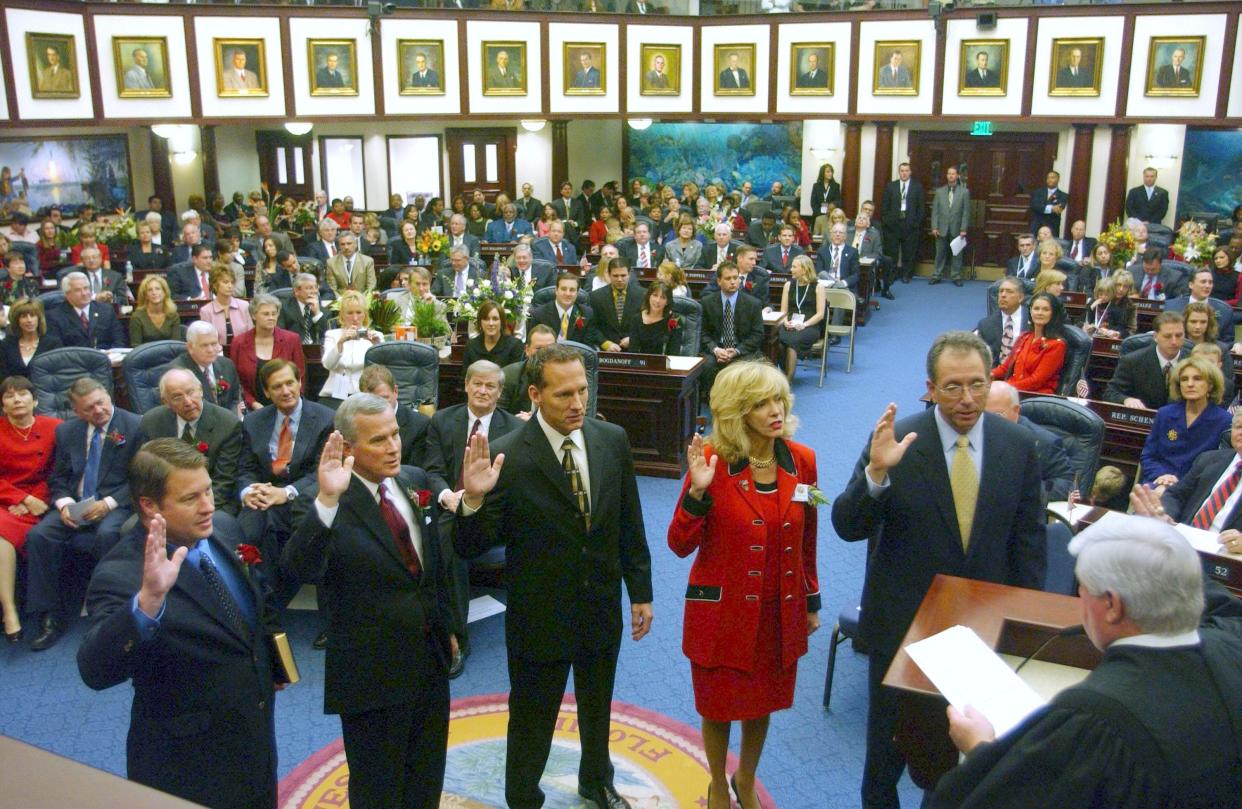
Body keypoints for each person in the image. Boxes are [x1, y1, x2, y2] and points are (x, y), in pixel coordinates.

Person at [833, 331, 1045, 809]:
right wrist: (877, 475)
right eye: (952, 386)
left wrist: (1023, 631)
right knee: (885, 758)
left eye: (977, 384)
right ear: (930, 386)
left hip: (981, 631)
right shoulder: (897, 440)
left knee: (959, 762)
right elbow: (847, 525)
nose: (967, 399)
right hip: (903, 629)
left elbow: (1028, 546)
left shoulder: (1019, 445)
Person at [456, 343, 654, 809]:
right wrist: (472, 500)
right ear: (534, 394)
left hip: (600, 606)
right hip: (539, 616)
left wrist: (640, 591)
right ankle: (523, 795)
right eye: (564, 394)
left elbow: (629, 521)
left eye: (583, 390)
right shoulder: (506, 456)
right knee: (531, 718)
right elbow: (470, 547)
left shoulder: (612, 440)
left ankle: (595, 779)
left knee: (597, 705)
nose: (578, 404)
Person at [931, 513, 1242, 809]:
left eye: (1082, 589)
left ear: (1111, 605)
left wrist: (980, 749)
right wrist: (1164, 547)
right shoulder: (1231, 647)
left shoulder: (1094, 718)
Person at [77, 438, 281, 809]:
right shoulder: (122, 574)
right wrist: (146, 604)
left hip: (254, 744)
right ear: (149, 505)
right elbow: (94, 670)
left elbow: (255, 601)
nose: (208, 507)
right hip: (187, 767)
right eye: (190, 499)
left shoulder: (223, 528)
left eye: (208, 491)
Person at [283, 394, 452, 809]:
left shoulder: (414, 481)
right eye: (379, 440)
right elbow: (298, 569)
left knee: (425, 779)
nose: (393, 446)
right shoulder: (325, 498)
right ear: (348, 448)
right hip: (371, 677)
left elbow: (433, 573)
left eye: (395, 434)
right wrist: (326, 501)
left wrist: (447, 629)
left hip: (428, 664)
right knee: (378, 789)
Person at [668, 362, 820, 809]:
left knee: (761, 704)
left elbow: (808, 537)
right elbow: (678, 544)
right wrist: (697, 494)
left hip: (778, 606)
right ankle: (718, 783)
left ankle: (746, 780)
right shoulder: (712, 460)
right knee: (718, 706)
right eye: (760, 404)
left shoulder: (803, 461)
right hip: (722, 610)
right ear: (736, 411)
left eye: (778, 399)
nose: (775, 411)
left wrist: (811, 602)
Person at [25, 379, 142, 651]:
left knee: (109, 533)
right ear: (77, 412)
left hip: (115, 504)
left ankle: (108, 610)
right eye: (89, 408)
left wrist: (109, 504)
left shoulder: (135, 425)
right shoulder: (67, 432)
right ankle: (50, 616)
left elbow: (140, 478)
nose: (99, 410)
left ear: (108, 396)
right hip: (77, 504)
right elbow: (58, 478)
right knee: (39, 535)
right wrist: (65, 504)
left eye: (101, 402)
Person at [424, 361, 519, 679]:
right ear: (465, 385)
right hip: (451, 507)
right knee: (448, 530)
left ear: (500, 392)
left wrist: (476, 501)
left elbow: (513, 484)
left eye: (490, 386)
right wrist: (445, 496)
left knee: (446, 536)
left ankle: (453, 638)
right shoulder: (442, 420)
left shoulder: (515, 429)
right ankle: (455, 636)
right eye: (477, 383)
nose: (482, 390)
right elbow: (433, 471)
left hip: (492, 516)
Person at [236, 359, 334, 600]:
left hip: (306, 494)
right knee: (253, 519)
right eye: (277, 386)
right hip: (266, 496)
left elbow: (322, 470)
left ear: (300, 382)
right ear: (267, 393)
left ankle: (281, 592)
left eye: (290, 383)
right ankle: (263, 597)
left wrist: (287, 492)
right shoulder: (253, 422)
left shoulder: (326, 418)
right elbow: (245, 467)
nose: (286, 391)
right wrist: (249, 491)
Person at [0, 377, 60, 643]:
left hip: (41, 500)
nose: (17, 400)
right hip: (6, 501)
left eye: (23, 394)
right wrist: (20, 498)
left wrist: (34, 499)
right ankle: (9, 609)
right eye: (9, 396)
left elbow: (60, 472)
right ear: (3, 405)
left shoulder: (55, 428)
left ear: (35, 400)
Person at [1138, 354, 1231, 489]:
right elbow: (1148, 455)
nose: (1190, 384)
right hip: (1157, 480)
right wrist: (1162, 476)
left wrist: (1177, 484)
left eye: (1197, 379)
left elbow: (1217, 468)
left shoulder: (1224, 421)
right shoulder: (1165, 414)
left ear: (1210, 385)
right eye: (1184, 379)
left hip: (1192, 489)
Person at [230, 294, 307, 411]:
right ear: (253, 315)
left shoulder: (292, 339)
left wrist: (290, 401)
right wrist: (254, 404)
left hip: (288, 404)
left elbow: (300, 375)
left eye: (274, 313)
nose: (271, 317)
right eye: (266, 314)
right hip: (252, 407)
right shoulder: (239, 342)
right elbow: (237, 381)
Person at [1105, 311, 1190, 410]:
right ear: (1155, 337)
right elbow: (1110, 393)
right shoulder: (1133, 361)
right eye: (1167, 336)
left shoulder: (1193, 361)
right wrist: (1126, 399)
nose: (1174, 341)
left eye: (1179, 336)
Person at [990, 292, 1067, 394]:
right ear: (1030, 311)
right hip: (1013, 390)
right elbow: (1006, 368)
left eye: (1046, 309)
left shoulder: (1056, 345)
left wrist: (1003, 387)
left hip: (1035, 397)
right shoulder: (1024, 337)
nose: (1039, 313)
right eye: (1036, 308)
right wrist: (986, 376)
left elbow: (1035, 381)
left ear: (1053, 313)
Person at [320, 290, 383, 409]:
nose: (355, 318)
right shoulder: (333, 335)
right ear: (342, 315)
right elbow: (328, 365)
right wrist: (340, 343)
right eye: (350, 313)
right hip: (334, 395)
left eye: (359, 312)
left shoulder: (376, 336)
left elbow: (382, 370)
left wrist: (375, 346)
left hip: (366, 393)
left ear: (365, 314)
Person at [171, 321, 243, 414]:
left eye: (214, 344)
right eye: (204, 345)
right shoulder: (177, 373)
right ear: (190, 347)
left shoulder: (227, 364)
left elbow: (235, 398)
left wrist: (232, 420)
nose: (211, 350)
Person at [45, 271, 128, 350]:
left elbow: (119, 340)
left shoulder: (106, 310)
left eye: (86, 288)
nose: (84, 293)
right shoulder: (54, 316)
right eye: (78, 290)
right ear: (67, 294)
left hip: (106, 360)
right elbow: (57, 349)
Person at [776, 255, 827, 381]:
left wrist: (804, 324)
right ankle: (784, 374)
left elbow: (820, 314)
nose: (791, 270)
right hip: (790, 324)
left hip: (810, 326)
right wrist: (785, 322)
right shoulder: (788, 285)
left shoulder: (818, 287)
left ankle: (788, 379)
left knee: (792, 342)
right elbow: (783, 311)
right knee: (777, 341)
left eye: (794, 267)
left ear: (804, 269)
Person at [529, 272, 601, 347]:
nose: (567, 294)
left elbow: (587, 346)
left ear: (577, 292)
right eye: (563, 289)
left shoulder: (587, 314)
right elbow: (535, 345)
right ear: (556, 290)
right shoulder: (539, 314)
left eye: (572, 290)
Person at [880, 162, 925, 284]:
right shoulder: (891, 186)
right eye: (902, 171)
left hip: (910, 225)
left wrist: (916, 223)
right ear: (899, 172)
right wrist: (886, 221)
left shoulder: (917, 187)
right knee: (892, 251)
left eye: (906, 170)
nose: (904, 173)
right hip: (893, 225)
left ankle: (906, 275)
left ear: (910, 172)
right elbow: (884, 206)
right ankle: (892, 274)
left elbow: (921, 208)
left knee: (909, 252)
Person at [588, 255, 640, 352]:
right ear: (609, 274)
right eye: (615, 276)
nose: (619, 279)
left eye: (623, 275)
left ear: (629, 274)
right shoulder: (595, 297)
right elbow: (592, 326)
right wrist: (605, 343)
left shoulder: (642, 295)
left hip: (636, 350)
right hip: (606, 351)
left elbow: (647, 326)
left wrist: (633, 339)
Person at [1164, 267, 1234, 337]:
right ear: (1191, 285)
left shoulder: (1225, 310)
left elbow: (1228, 341)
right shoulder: (1172, 307)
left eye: (1210, 282)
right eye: (1203, 282)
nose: (1207, 286)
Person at [931, 166, 970, 286]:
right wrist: (934, 227)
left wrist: (964, 228)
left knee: (957, 254)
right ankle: (937, 275)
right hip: (941, 228)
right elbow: (935, 211)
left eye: (953, 174)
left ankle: (956, 276)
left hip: (957, 229)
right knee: (939, 254)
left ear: (957, 176)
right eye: (949, 174)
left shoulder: (964, 192)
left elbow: (966, 212)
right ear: (946, 176)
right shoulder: (939, 191)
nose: (951, 176)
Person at [1, 299, 60, 378]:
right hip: (15, 389)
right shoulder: (6, 345)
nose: (29, 320)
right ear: (16, 320)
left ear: (39, 318)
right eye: (24, 316)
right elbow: (3, 377)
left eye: (32, 315)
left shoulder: (53, 344)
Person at [975, 277, 1026, 369]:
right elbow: (982, 358)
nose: (1003, 295)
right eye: (1000, 291)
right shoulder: (985, 324)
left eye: (1009, 291)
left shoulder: (1033, 320)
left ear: (1020, 297)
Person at [198, 267, 253, 347]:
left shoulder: (244, 306)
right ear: (215, 285)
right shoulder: (206, 311)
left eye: (232, 282)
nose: (230, 286)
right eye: (226, 282)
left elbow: (250, 336)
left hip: (243, 351)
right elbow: (207, 340)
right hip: (217, 355)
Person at [627, 281, 685, 356]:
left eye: (663, 297)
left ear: (667, 301)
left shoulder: (673, 320)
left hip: (665, 364)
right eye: (655, 295)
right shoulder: (637, 319)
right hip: (642, 364)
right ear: (649, 296)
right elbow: (633, 351)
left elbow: (674, 351)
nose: (658, 301)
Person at [463, 299, 524, 368]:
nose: (491, 323)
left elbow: (514, 376)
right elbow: (466, 376)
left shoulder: (515, 346)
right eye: (486, 319)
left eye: (495, 319)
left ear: (502, 322)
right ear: (480, 322)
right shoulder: (471, 345)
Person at [277, 272, 329, 346]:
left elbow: (326, 336)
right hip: (292, 349)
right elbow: (279, 335)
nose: (315, 291)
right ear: (296, 291)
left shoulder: (323, 311)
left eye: (316, 287)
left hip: (316, 352)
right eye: (309, 288)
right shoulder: (284, 308)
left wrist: (317, 313)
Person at [128, 274, 180, 346]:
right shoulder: (137, 317)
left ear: (164, 292)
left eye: (157, 289)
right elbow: (136, 346)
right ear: (145, 295)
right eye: (150, 290)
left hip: (169, 356)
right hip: (144, 356)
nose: (154, 293)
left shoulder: (173, 315)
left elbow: (176, 345)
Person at [1028, 171, 1068, 238]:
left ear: (1058, 179)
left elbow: (1059, 209)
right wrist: (1051, 208)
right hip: (1036, 226)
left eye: (1053, 177)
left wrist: (1042, 207)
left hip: (1052, 227)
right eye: (1048, 178)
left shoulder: (1063, 195)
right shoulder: (1038, 192)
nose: (1050, 180)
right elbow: (1035, 206)